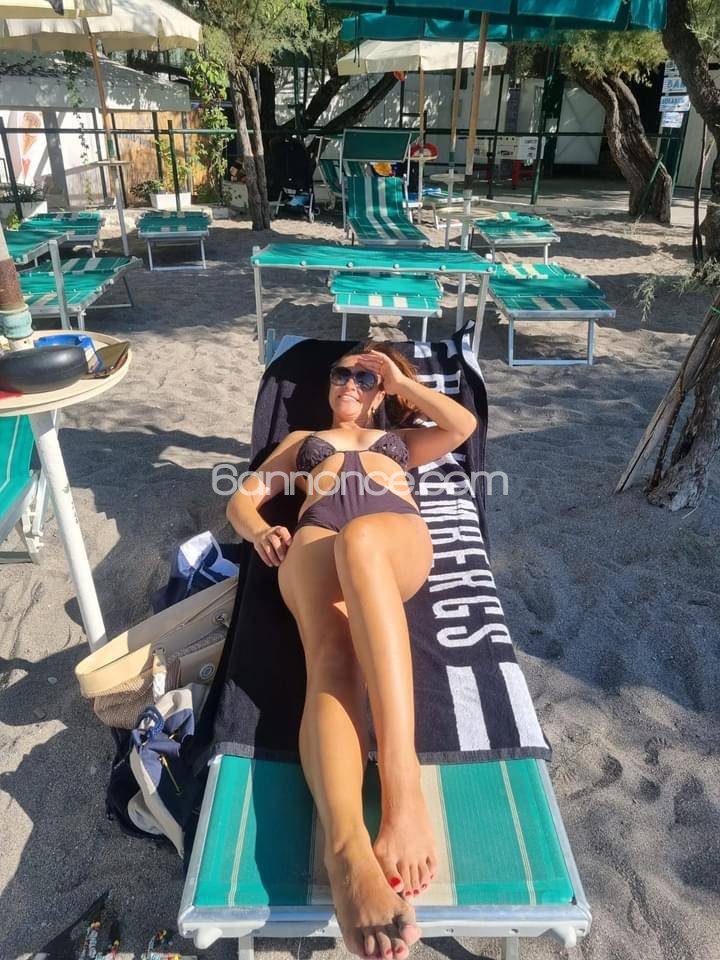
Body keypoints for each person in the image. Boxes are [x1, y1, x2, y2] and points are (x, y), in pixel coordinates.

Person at [226, 341, 477, 960]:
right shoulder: (304, 442)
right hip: (315, 534)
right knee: (330, 661)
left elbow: (462, 426)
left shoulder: (402, 441)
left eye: (367, 377)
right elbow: (242, 499)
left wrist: (400, 383)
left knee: (362, 540)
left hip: (391, 536)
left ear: (384, 391)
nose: (351, 382)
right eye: (343, 373)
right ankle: (346, 853)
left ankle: (400, 786)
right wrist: (260, 530)